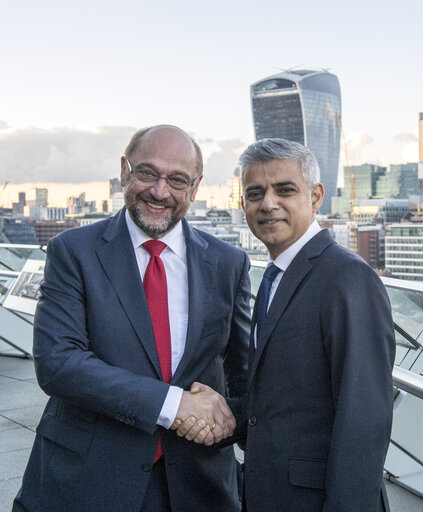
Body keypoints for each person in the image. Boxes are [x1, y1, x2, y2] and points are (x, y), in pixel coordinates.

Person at [13, 125, 251, 512]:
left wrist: (227, 424)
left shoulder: (229, 263)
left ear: (194, 188)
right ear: (124, 171)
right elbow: (58, 363)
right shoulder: (73, 252)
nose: (160, 191)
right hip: (87, 479)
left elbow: (242, 375)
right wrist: (175, 406)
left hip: (198, 485)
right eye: (147, 173)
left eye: (177, 180)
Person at [179, 138, 395, 511]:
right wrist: (223, 413)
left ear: (315, 196)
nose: (268, 203)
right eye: (255, 192)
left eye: (285, 190)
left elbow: (364, 420)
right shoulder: (276, 276)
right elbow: (286, 401)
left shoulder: (347, 277)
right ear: (243, 203)